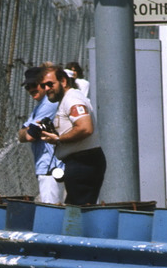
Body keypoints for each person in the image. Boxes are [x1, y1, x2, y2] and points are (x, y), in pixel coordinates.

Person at [38, 62, 106, 205]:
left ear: (63, 81)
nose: (47, 89)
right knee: (77, 208)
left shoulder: (72, 99)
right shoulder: (67, 100)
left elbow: (85, 128)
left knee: (77, 211)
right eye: (43, 86)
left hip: (84, 162)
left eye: (50, 84)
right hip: (79, 162)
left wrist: (59, 138)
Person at [17, 66, 65, 204]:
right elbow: (22, 133)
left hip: (51, 167)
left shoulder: (49, 104)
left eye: (34, 85)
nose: (31, 89)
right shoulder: (40, 105)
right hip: (46, 166)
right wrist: (25, 132)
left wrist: (25, 132)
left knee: (50, 210)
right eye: (28, 87)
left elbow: (29, 135)